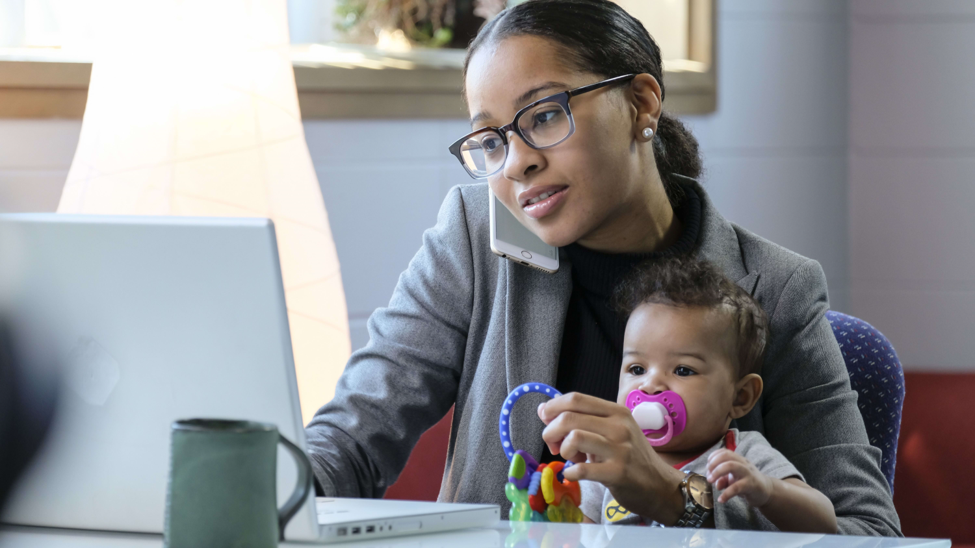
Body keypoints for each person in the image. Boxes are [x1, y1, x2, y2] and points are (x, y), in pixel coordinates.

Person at [304, 0, 901, 535]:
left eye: (542, 115)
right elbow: (352, 439)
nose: (516, 164)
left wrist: (676, 497)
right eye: (490, 140)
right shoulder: (475, 233)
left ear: (642, 103)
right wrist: (262, 485)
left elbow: (869, 532)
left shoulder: (776, 288)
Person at [565, 256, 835, 532]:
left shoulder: (741, 456)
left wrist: (767, 491)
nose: (650, 384)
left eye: (682, 370)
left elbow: (825, 522)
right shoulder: (609, 456)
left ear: (740, 397)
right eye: (637, 368)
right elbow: (577, 534)